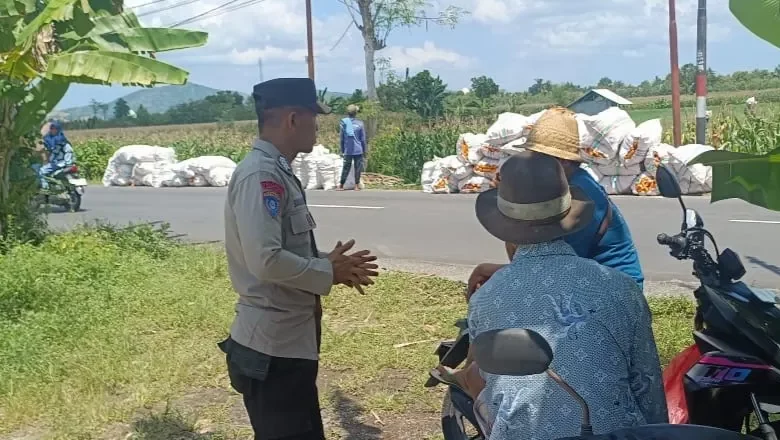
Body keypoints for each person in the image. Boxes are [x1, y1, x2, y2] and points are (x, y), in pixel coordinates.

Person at [457, 152, 667, 439]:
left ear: (503, 224)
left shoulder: (486, 298)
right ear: (567, 215)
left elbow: (494, 389)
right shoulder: (620, 287)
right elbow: (647, 385)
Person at [220, 77, 379, 440]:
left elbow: (281, 252)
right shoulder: (261, 175)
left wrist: (328, 263)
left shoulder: (276, 170)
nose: (317, 127)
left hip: (288, 343)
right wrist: (327, 270)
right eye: (314, 118)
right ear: (293, 119)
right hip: (272, 350)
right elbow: (265, 260)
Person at [467, 107, 644, 298]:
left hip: (615, 291)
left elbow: (546, 270)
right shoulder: (563, 187)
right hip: (585, 279)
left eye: (539, 157)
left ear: (564, 161)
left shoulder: (581, 198)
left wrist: (488, 271)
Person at [38, 120, 75, 190]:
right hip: (59, 163)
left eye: (55, 129)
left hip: (59, 163)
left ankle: (45, 188)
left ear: (58, 130)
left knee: (41, 171)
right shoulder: (53, 139)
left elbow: (68, 152)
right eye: (52, 129)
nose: (53, 130)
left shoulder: (61, 141)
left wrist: (68, 163)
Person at [337, 104, 366, 190]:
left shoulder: (344, 123)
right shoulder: (360, 124)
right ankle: (356, 185)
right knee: (358, 168)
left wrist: (342, 149)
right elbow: (363, 139)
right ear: (356, 113)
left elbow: (341, 138)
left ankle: (341, 185)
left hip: (348, 149)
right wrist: (364, 150)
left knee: (346, 167)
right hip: (358, 150)